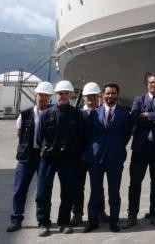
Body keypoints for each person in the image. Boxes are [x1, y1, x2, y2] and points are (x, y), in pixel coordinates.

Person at [36, 80, 85, 237]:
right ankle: (43, 223)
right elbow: (39, 138)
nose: (63, 96)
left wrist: (74, 153)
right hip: (48, 159)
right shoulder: (46, 114)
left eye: (66, 93)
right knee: (43, 192)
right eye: (60, 93)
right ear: (55, 95)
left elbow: (81, 137)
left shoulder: (77, 115)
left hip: (68, 160)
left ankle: (64, 222)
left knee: (67, 192)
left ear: (70, 94)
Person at [83, 83, 132, 233]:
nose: (110, 96)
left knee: (114, 192)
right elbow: (88, 134)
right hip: (96, 158)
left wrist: (115, 146)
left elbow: (126, 135)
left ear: (117, 95)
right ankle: (92, 221)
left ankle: (113, 221)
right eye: (108, 93)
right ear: (103, 95)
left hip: (115, 158)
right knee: (95, 191)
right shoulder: (94, 113)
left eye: (113, 93)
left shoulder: (124, 114)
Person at [125, 73, 155, 228]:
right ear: (147, 84)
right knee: (135, 182)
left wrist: (146, 115)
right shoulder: (139, 99)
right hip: (140, 148)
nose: (154, 85)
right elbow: (134, 118)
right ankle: (132, 215)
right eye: (151, 82)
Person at [6, 81, 53, 233]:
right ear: (35, 96)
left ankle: (43, 221)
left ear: (49, 98)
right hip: (26, 156)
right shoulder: (25, 114)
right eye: (41, 95)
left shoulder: (53, 114)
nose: (43, 98)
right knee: (19, 188)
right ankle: (16, 219)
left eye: (46, 96)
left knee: (43, 190)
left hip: (44, 156)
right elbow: (19, 133)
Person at [72, 82, 103, 226]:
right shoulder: (77, 114)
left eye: (94, 97)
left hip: (97, 156)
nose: (92, 100)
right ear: (84, 97)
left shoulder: (103, 113)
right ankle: (77, 213)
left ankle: (100, 211)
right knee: (78, 186)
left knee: (98, 186)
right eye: (89, 97)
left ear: (99, 97)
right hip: (79, 157)